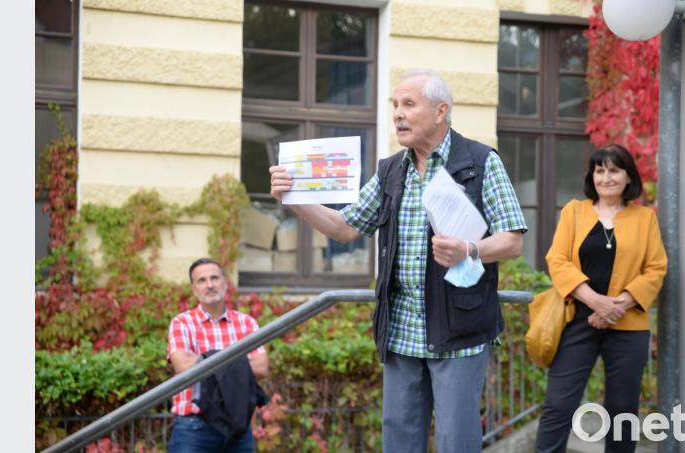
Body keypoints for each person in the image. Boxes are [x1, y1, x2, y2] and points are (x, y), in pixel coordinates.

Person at [269, 69, 527, 453]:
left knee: (457, 442)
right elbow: (344, 228)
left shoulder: (480, 161)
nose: (398, 114)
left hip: (459, 331)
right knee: (400, 443)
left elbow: (512, 240)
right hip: (401, 332)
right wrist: (295, 200)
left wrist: (469, 250)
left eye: (408, 104)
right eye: (395, 105)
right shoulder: (391, 170)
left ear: (441, 111)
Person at [534, 144, 667, 453]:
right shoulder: (574, 211)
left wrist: (619, 304)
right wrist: (596, 302)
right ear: (592, 176)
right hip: (576, 321)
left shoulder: (645, 218)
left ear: (627, 176)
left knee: (622, 412)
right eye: (600, 170)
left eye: (614, 170)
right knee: (558, 405)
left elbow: (656, 267)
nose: (606, 178)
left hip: (628, 326)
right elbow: (558, 260)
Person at [167, 258, 270, 453]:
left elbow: (261, 367)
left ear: (225, 282)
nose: (210, 285)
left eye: (214, 278)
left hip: (238, 427)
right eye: (202, 280)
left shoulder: (246, 323)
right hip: (194, 428)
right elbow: (183, 366)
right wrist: (239, 363)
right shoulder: (182, 323)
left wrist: (203, 360)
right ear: (194, 288)